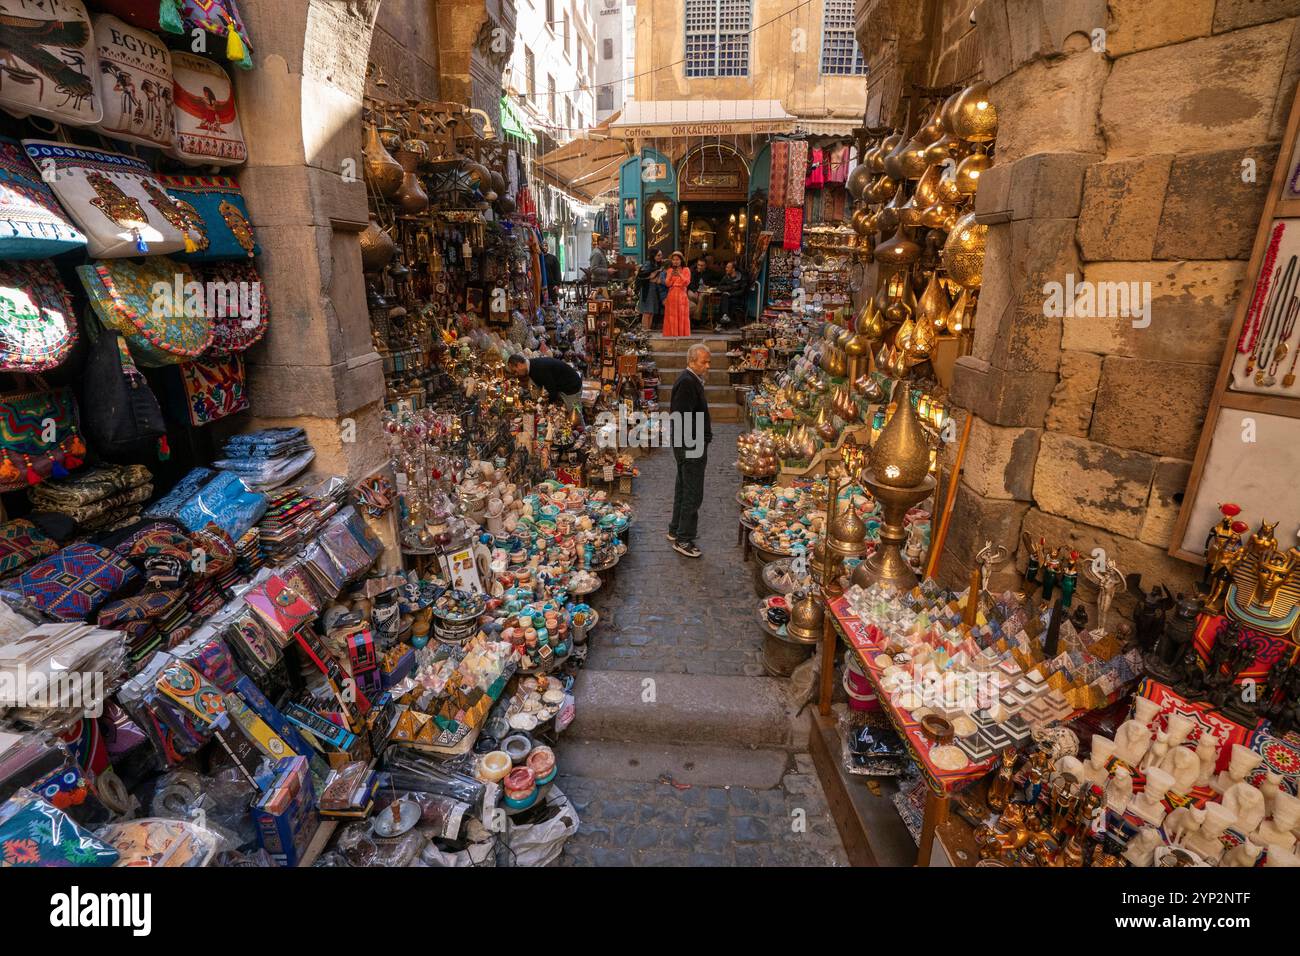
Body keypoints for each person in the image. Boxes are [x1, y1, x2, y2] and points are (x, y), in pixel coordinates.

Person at [667, 343, 712, 558]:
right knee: (692, 492)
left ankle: (676, 529)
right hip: (690, 445)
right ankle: (684, 539)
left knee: (684, 487)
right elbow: (681, 417)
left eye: (709, 362)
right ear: (692, 361)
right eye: (704, 362)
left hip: (688, 443)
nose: (708, 366)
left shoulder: (691, 380)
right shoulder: (687, 382)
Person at [507, 353, 584, 418]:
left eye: (515, 371)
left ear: (519, 365)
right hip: (562, 386)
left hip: (572, 387)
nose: (516, 374)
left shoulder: (538, 369)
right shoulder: (532, 366)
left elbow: (552, 392)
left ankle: (582, 430)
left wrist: (546, 408)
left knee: (575, 416)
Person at [662, 251, 691, 337]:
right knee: (672, 316)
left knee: (682, 315)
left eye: (677, 259)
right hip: (672, 295)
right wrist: (670, 275)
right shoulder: (670, 270)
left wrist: (680, 274)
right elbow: (667, 284)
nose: (675, 261)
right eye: (673, 260)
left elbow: (686, 282)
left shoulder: (686, 270)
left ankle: (681, 335)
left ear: (681, 260)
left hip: (681, 295)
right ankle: (672, 335)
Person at [637, 249, 665, 331]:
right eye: (658, 255)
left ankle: (648, 329)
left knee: (651, 311)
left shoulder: (657, 264)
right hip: (648, 288)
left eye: (661, 255)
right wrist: (653, 274)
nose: (660, 257)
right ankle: (644, 330)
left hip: (653, 289)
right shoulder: (648, 263)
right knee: (647, 311)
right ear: (653, 256)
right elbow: (641, 275)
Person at [718, 260, 747, 327]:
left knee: (725, 299)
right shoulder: (726, 277)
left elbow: (742, 291)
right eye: (726, 267)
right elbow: (719, 287)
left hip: (737, 297)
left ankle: (722, 320)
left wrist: (731, 294)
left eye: (728, 267)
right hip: (728, 296)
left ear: (733, 269)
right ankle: (725, 317)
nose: (726, 269)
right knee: (725, 296)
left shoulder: (742, 277)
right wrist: (729, 287)